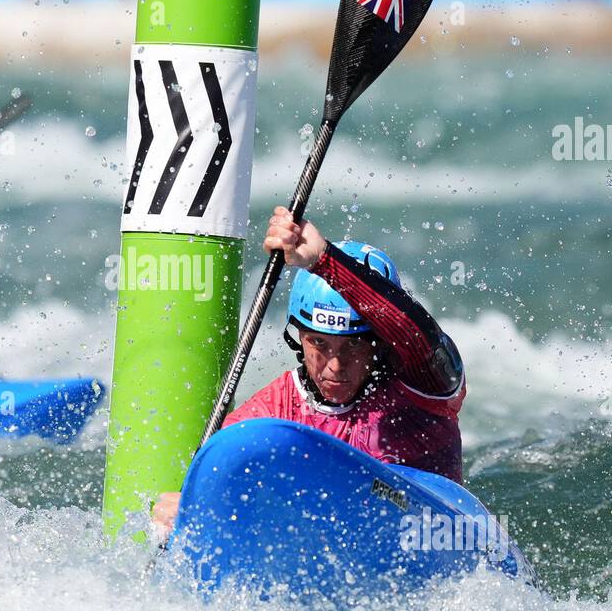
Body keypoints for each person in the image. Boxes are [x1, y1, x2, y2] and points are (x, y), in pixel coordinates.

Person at [153, 205, 466, 537]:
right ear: (298, 338)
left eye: (354, 345)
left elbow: (416, 334)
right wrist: (194, 510)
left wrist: (323, 260)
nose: (334, 364)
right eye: (319, 343)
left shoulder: (421, 385)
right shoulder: (274, 411)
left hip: (438, 538)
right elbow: (226, 473)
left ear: (381, 342)